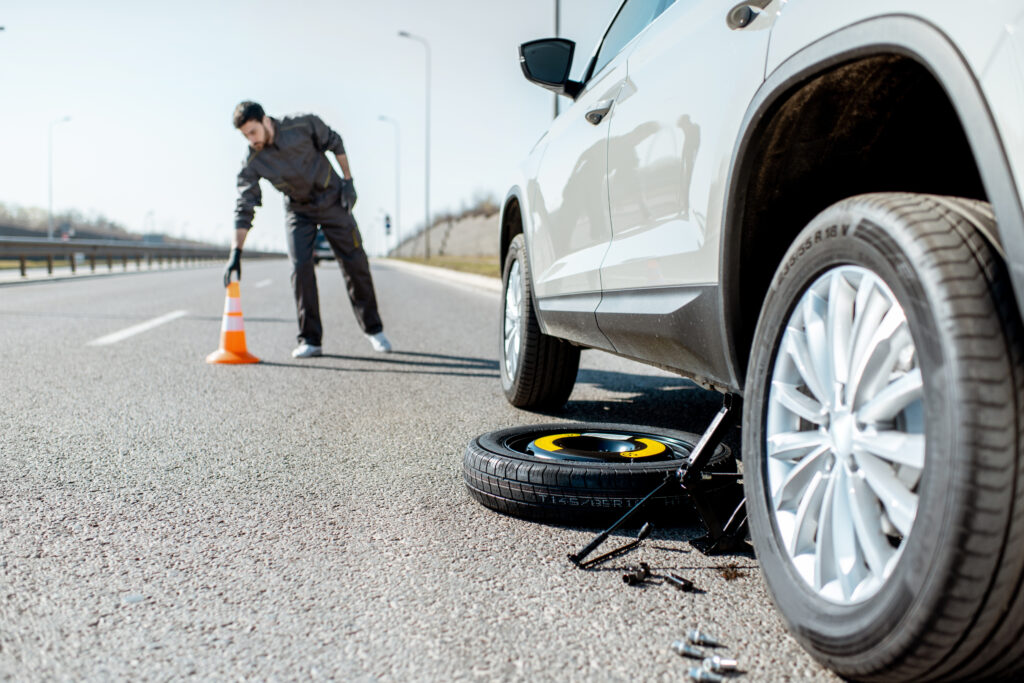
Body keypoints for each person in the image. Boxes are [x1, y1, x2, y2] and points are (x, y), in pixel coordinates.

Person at [224, 100, 391, 357]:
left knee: (355, 262)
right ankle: (311, 340)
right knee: (300, 266)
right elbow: (244, 204)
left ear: (266, 121)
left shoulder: (303, 125)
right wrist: (236, 252)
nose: (251, 139)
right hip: (298, 210)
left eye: (253, 132)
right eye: (245, 136)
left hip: (332, 197)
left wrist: (348, 181)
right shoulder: (253, 160)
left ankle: (374, 330)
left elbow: (336, 142)